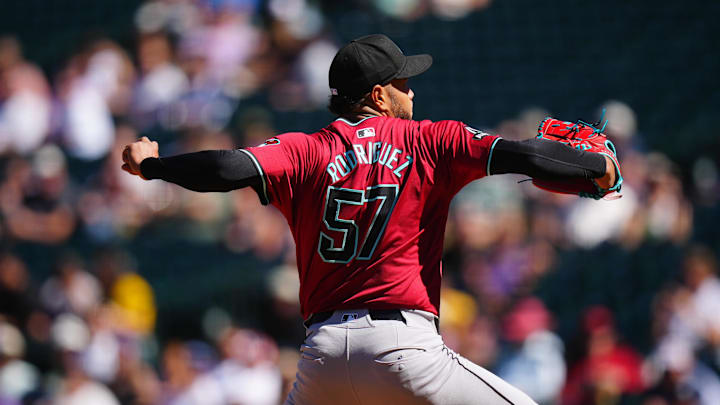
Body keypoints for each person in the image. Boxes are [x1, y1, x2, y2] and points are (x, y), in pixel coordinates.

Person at [122, 34, 618, 405]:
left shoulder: (304, 150)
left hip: (321, 359)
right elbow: (526, 154)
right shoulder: (430, 140)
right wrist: (597, 167)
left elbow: (228, 167)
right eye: (403, 84)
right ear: (378, 96)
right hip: (403, 345)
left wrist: (153, 166)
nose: (413, 93)